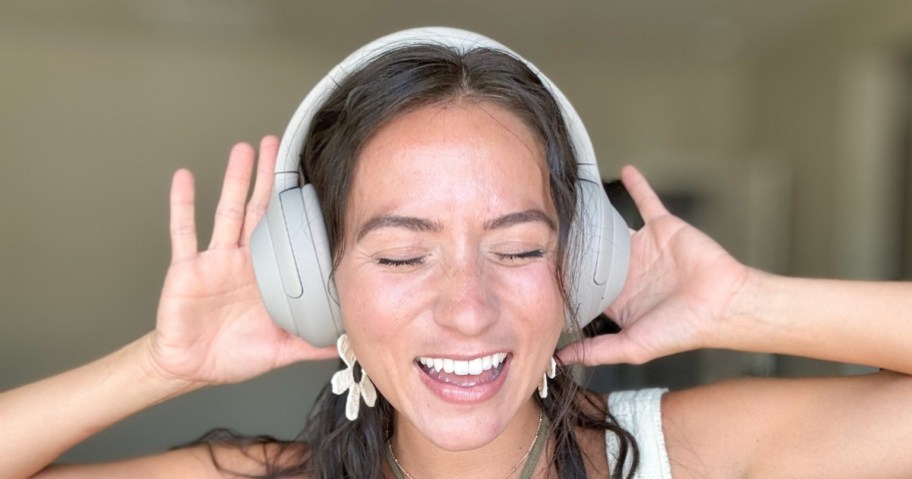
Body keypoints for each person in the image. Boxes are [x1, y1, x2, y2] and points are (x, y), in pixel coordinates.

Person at [3, 27, 912, 479]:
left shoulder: (690, 454)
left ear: (584, 266)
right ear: (318, 284)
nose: (467, 309)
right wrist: (159, 367)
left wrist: (746, 305)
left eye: (517, 248)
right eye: (402, 258)